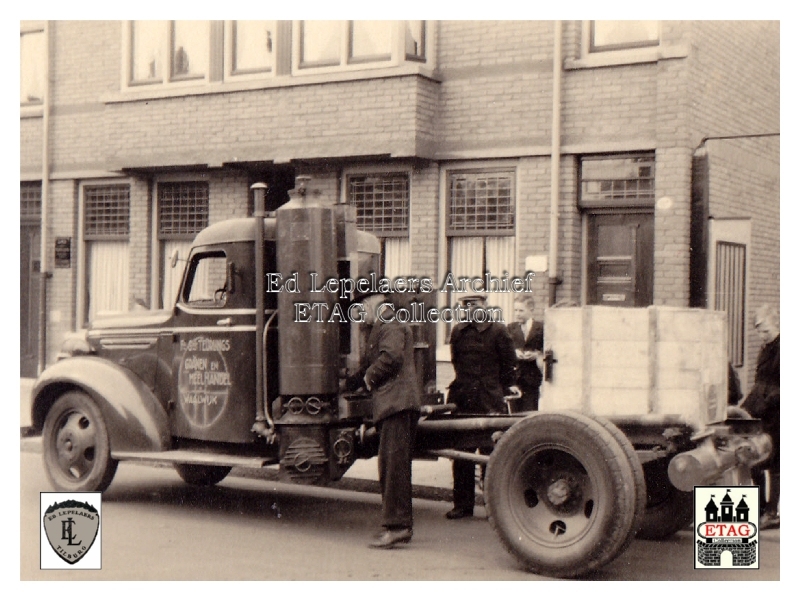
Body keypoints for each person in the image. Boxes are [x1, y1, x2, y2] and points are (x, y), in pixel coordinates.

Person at [346, 292, 422, 548]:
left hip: (396, 404)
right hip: (395, 404)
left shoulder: (390, 323)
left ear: (371, 304)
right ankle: (399, 525)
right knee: (393, 466)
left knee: (393, 468)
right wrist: (351, 382)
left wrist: (368, 379)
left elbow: (390, 358)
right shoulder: (385, 324)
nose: (361, 316)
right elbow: (374, 362)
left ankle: (398, 527)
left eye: (361, 309)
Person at [445, 294, 519, 519]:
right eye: (466, 306)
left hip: (490, 400)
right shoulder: (458, 331)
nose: (471, 310)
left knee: (491, 453)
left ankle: (493, 507)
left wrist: (497, 387)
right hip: (464, 398)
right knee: (461, 453)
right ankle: (463, 505)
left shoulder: (498, 330)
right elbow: (456, 361)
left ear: (485, 306)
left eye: (475, 305)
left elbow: (509, 365)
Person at [741, 304, 780, 529]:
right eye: (758, 330)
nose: (761, 334)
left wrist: (764, 404)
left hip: (777, 412)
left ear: (776, 324)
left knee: (774, 464)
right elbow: (759, 382)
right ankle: (759, 508)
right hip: (761, 410)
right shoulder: (765, 348)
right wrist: (747, 406)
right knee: (754, 459)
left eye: (764, 329)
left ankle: (772, 512)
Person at [506, 295, 544, 412]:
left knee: (530, 411)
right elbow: (504, 350)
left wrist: (537, 354)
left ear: (531, 310)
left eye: (521, 310)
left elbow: (547, 349)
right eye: (515, 310)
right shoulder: (510, 328)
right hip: (515, 379)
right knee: (514, 413)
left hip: (533, 379)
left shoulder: (541, 328)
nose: (517, 314)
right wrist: (514, 352)